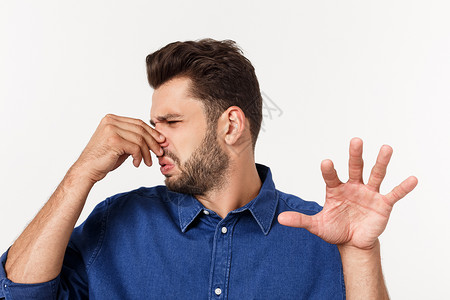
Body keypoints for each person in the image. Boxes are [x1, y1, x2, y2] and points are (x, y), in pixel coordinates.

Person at [0, 39, 417, 299]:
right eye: (153, 122)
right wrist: (81, 173)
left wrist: (362, 254)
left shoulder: (322, 232)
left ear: (231, 125)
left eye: (172, 122)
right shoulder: (116, 221)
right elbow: (19, 294)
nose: (153, 136)